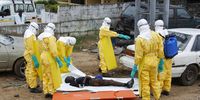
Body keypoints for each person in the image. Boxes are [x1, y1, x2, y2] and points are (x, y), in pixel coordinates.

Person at [130, 19, 164, 100]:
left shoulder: (139, 39)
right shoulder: (156, 35)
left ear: (139, 27)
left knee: (145, 83)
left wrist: (135, 66)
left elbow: (139, 55)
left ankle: (146, 98)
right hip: (155, 61)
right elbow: (160, 50)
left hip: (145, 63)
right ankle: (157, 97)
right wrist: (161, 61)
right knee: (154, 81)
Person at [39, 23, 63, 98]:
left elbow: (39, 48)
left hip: (42, 56)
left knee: (45, 75)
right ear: (53, 29)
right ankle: (51, 92)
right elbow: (53, 50)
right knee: (51, 75)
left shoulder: (41, 36)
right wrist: (58, 59)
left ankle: (46, 91)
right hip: (49, 58)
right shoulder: (51, 37)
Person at [23, 22, 42, 93]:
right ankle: (33, 87)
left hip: (28, 54)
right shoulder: (30, 35)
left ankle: (30, 84)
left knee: (28, 69)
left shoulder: (28, 32)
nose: (36, 31)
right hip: (31, 55)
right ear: (34, 28)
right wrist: (34, 58)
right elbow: (31, 48)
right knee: (32, 70)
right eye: (36, 29)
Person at [155, 20, 172, 96]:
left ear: (156, 25)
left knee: (161, 74)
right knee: (168, 73)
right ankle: (167, 89)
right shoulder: (166, 32)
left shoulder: (157, 34)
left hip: (162, 57)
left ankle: (159, 91)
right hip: (169, 56)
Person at [65, 75, 134, 88]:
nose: (71, 76)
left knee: (109, 82)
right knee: (111, 81)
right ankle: (126, 85)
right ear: (70, 80)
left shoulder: (74, 82)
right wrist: (85, 78)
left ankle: (125, 84)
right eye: (69, 77)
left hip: (93, 81)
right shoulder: (76, 81)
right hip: (93, 81)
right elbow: (82, 86)